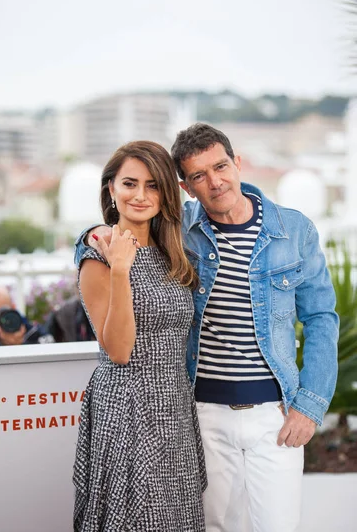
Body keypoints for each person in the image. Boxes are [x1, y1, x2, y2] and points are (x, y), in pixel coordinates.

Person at [75, 123, 339, 532]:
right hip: (200, 412)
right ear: (185, 186)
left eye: (220, 166)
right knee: (213, 525)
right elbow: (125, 229)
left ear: (237, 162)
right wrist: (95, 234)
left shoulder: (294, 230)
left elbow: (321, 318)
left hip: (274, 413)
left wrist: (310, 404)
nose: (214, 182)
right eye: (199, 175)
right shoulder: (181, 232)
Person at [73, 140, 207, 532]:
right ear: (110, 188)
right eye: (129, 183)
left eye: (153, 185)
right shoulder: (98, 252)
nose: (140, 195)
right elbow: (117, 349)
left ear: (167, 194)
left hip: (175, 405)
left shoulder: (173, 253)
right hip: (127, 406)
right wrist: (119, 270)